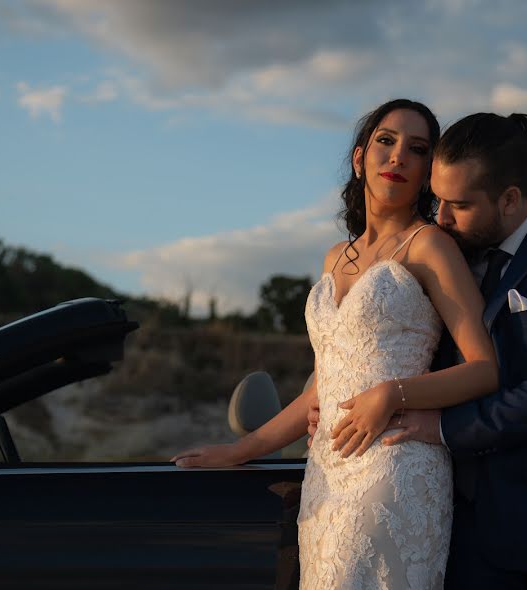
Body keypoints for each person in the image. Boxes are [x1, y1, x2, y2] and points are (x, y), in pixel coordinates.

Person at [172, 98, 500, 589]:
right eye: (386, 142)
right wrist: (241, 450)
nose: (398, 158)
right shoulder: (333, 259)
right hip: (325, 471)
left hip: (394, 463)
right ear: (359, 157)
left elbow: (484, 368)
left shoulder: (430, 246)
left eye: (416, 149)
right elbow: (324, 386)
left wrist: (392, 394)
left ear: (429, 170)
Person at [311, 113, 527, 588]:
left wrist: (445, 427)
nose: (440, 217)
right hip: (466, 541)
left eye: (458, 205)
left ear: (510, 199)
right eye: (438, 200)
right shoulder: (445, 255)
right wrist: (331, 403)